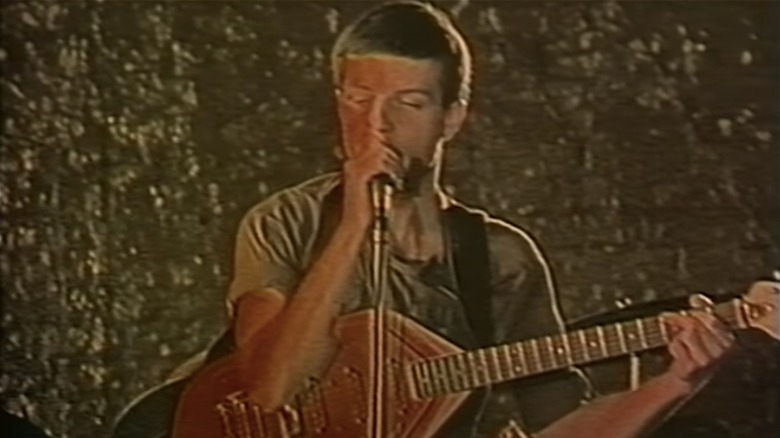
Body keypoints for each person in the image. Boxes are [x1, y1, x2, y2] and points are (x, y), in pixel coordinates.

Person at [227, 2, 734, 438]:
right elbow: (270, 387)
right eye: (359, 100)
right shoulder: (285, 222)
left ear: (451, 118)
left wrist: (674, 383)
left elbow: (562, 430)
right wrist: (355, 224)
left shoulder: (499, 259)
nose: (378, 124)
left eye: (410, 103)